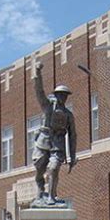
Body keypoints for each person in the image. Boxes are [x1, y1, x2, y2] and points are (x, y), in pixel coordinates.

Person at [32, 61, 77, 205]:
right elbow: (39, 91)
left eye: (65, 95)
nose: (63, 97)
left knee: (53, 168)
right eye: (61, 95)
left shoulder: (68, 115)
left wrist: (72, 156)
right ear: (56, 95)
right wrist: (38, 73)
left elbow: (72, 136)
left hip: (58, 144)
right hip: (43, 142)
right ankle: (40, 193)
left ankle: (51, 196)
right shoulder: (47, 106)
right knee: (40, 168)